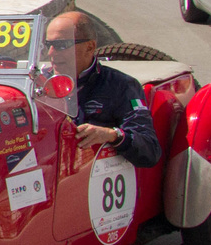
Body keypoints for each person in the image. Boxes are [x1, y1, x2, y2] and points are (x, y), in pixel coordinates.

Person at [43, 11, 160, 167]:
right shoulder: (37, 84)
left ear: (90, 47)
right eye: (48, 45)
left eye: (61, 45)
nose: (51, 53)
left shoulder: (121, 86)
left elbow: (150, 150)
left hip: (90, 176)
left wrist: (111, 135)